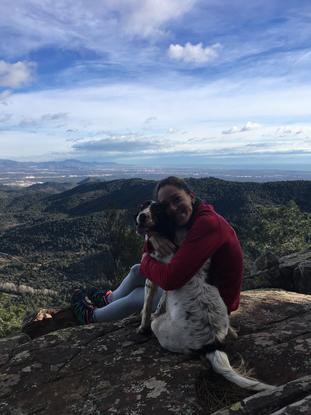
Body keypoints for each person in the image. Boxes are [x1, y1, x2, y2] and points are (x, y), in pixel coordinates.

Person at [71, 176, 243, 324]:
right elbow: (159, 253)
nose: (173, 208)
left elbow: (170, 280)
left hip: (211, 308)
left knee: (140, 294)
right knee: (137, 270)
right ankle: (109, 299)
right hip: (199, 293)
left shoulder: (207, 224)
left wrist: (146, 258)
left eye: (177, 199)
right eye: (166, 205)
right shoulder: (189, 217)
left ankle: (92, 316)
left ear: (191, 196)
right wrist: (152, 235)